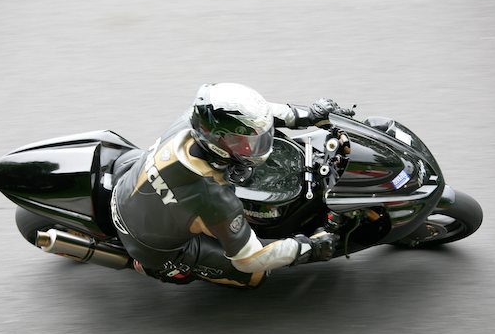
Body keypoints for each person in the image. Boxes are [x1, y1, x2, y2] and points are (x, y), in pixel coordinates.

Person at [110, 83, 346, 288]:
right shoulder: (213, 197)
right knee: (256, 276)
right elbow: (249, 259)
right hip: (151, 246)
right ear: (217, 142)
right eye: (242, 141)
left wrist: (309, 115)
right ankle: (156, 268)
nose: (254, 145)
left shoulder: (196, 120)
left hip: (128, 182)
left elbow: (258, 117)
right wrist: (307, 248)